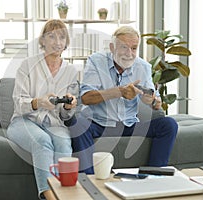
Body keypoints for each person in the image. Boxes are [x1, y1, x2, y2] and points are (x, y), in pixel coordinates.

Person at [70, 26, 178, 174]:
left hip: (129, 125)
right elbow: (86, 97)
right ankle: (89, 181)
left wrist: (152, 101)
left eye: (134, 48)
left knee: (168, 125)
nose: (129, 54)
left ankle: (154, 175)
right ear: (112, 47)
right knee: (79, 124)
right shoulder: (96, 61)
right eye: (124, 47)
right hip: (99, 124)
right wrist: (119, 92)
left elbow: (155, 101)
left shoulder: (143, 67)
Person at [6, 19, 78, 200]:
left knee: (63, 142)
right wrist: (39, 102)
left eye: (62, 37)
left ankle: (65, 193)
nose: (57, 41)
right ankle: (49, 196)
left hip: (54, 122)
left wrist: (69, 107)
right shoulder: (27, 66)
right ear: (43, 41)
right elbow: (19, 103)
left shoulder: (71, 71)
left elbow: (64, 115)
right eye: (51, 36)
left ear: (66, 42)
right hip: (24, 121)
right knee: (41, 140)